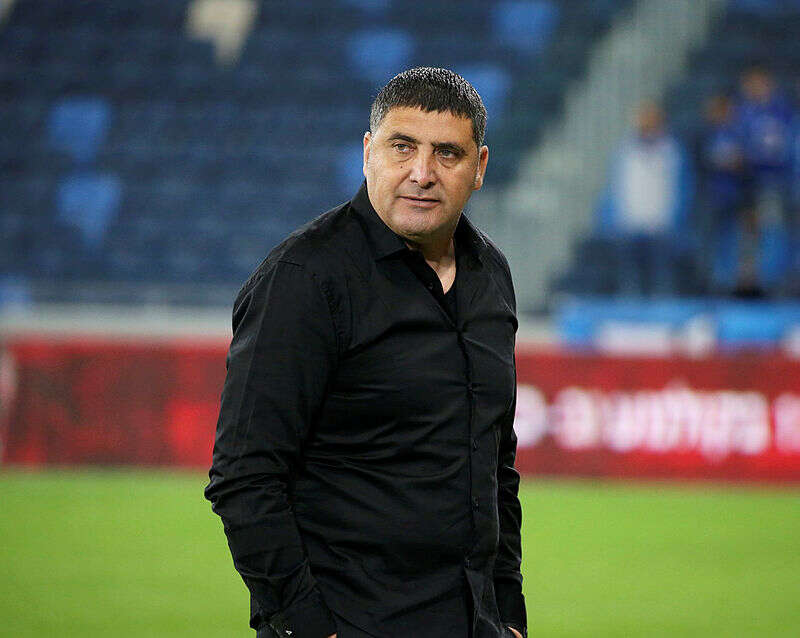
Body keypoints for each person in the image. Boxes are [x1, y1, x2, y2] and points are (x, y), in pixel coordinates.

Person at [205, 67, 527, 638]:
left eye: (447, 153)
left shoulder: (491, 276)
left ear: (479, 167)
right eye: (402, 147)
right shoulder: (304, 279)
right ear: (367, 152)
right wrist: (307, 626)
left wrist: (509, 616)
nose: (421, 173)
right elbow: (245, 477)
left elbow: (495, 465)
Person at [595, 100, 694, 295]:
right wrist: (611, 219)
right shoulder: (624, 151)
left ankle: (664, 310)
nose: (647, 123)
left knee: (662, 279)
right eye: (643, 118)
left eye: (652, 119)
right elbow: (614, 187)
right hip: (629, 223)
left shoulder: (673, 151)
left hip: (661, 224)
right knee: (629, 280)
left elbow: (683, 188)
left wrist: (677, 220)